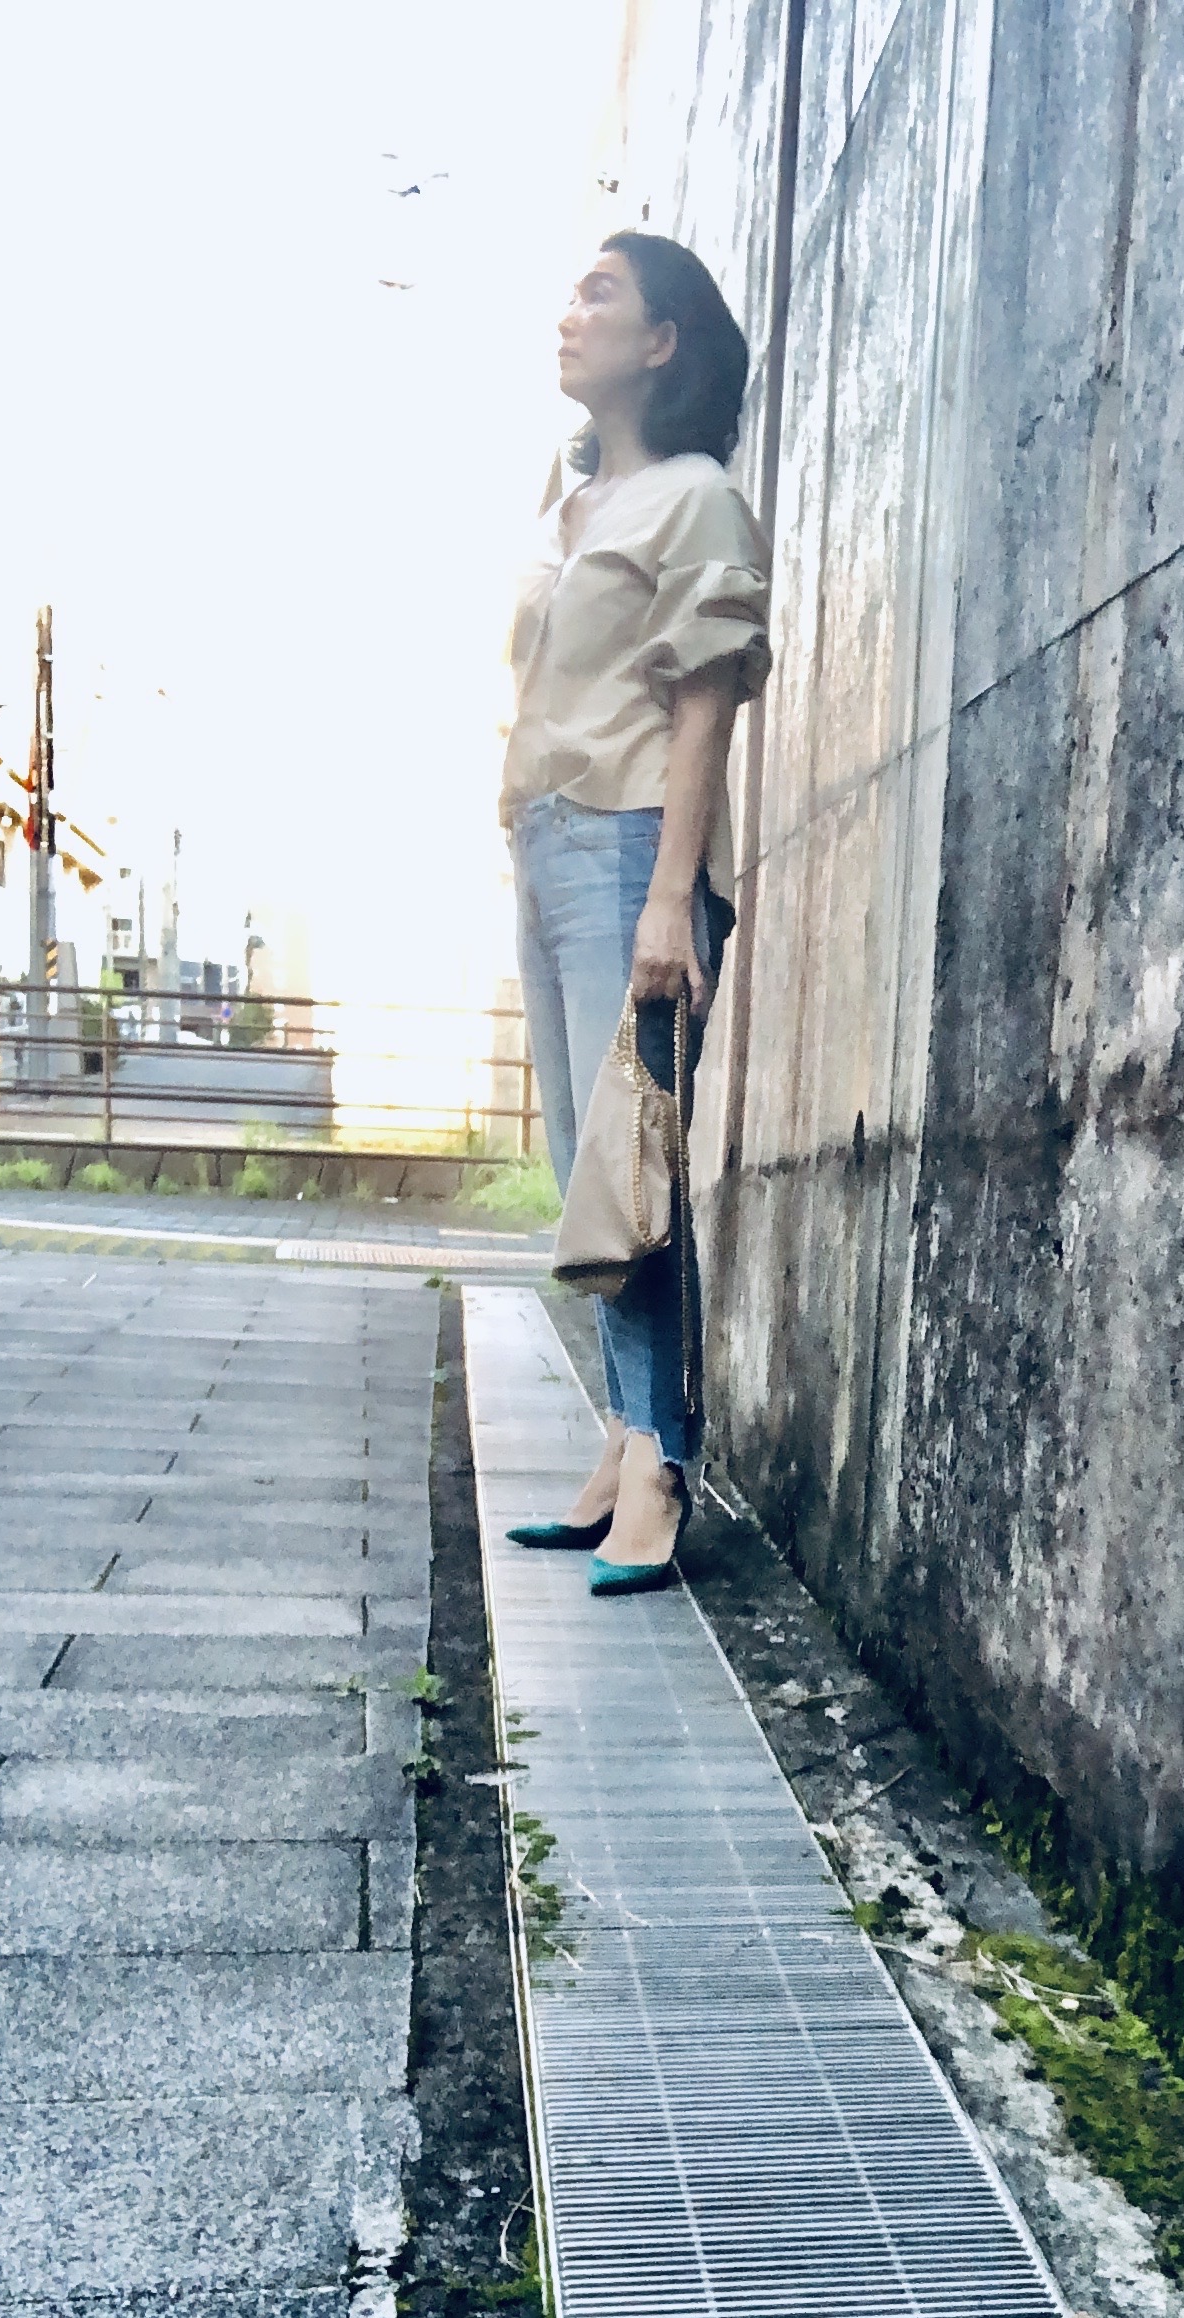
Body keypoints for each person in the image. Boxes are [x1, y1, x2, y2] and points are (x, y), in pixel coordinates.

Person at [502, 232, 770, 1592]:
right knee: (585, 1171)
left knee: (638, 1163)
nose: (571, 311)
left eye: (600, 293)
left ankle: (663, 1464)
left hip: (628, 848)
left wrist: (673, 900)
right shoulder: (571, 503)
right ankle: (624, 1441)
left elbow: (704, 708)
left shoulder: (696, 500)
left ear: (662, 342)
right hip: (545, 842)